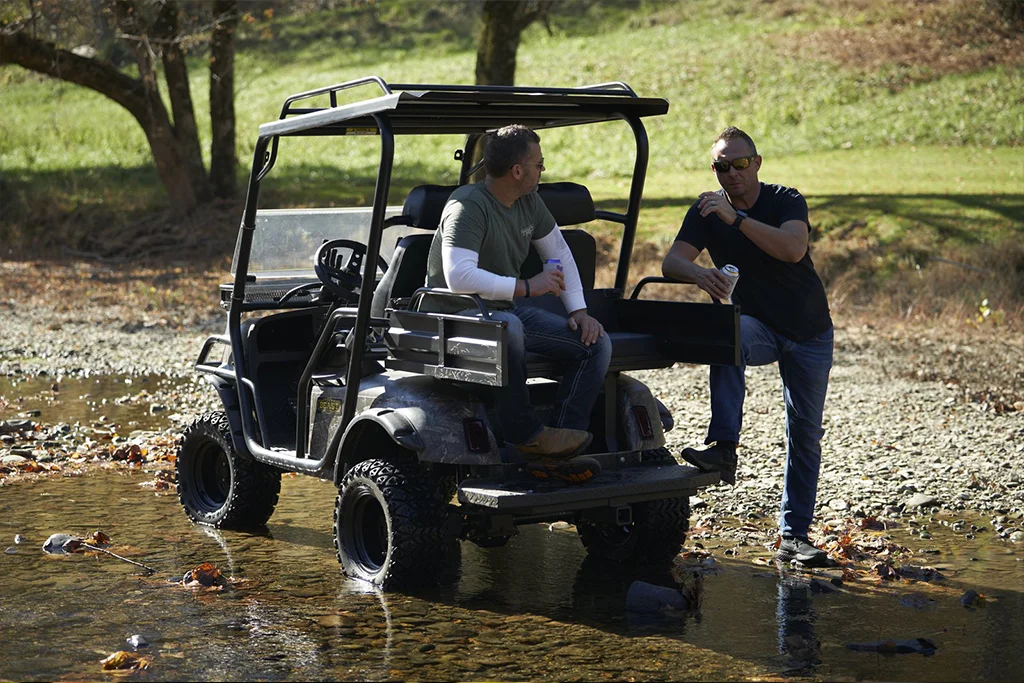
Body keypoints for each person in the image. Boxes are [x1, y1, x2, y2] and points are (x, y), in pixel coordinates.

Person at [661, 127, 834, 566]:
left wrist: (735, 220)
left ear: (756, 163)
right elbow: (672, 261)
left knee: (805, 433)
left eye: (740, 164)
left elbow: (794, 249)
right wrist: (699, 274)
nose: (732, 174)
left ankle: (794, 536)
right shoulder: (705, 209)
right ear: (714, 169)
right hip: (758, 324)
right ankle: (723, 448)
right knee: (728, 337)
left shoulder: (784, 199)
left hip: (809, 330)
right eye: (722, 166)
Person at [425, 124, 612, 481]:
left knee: (595, 343)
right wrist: (527, 286)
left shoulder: (529, 201)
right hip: (456, 316)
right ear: (517, 170)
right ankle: (525, 435)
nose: (542, 170)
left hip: (502, 310)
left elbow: (559, 253)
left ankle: (560, 445)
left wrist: (579, 312)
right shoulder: (467, 205)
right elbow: (458, 278)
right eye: (539, 164)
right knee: (506, 327)